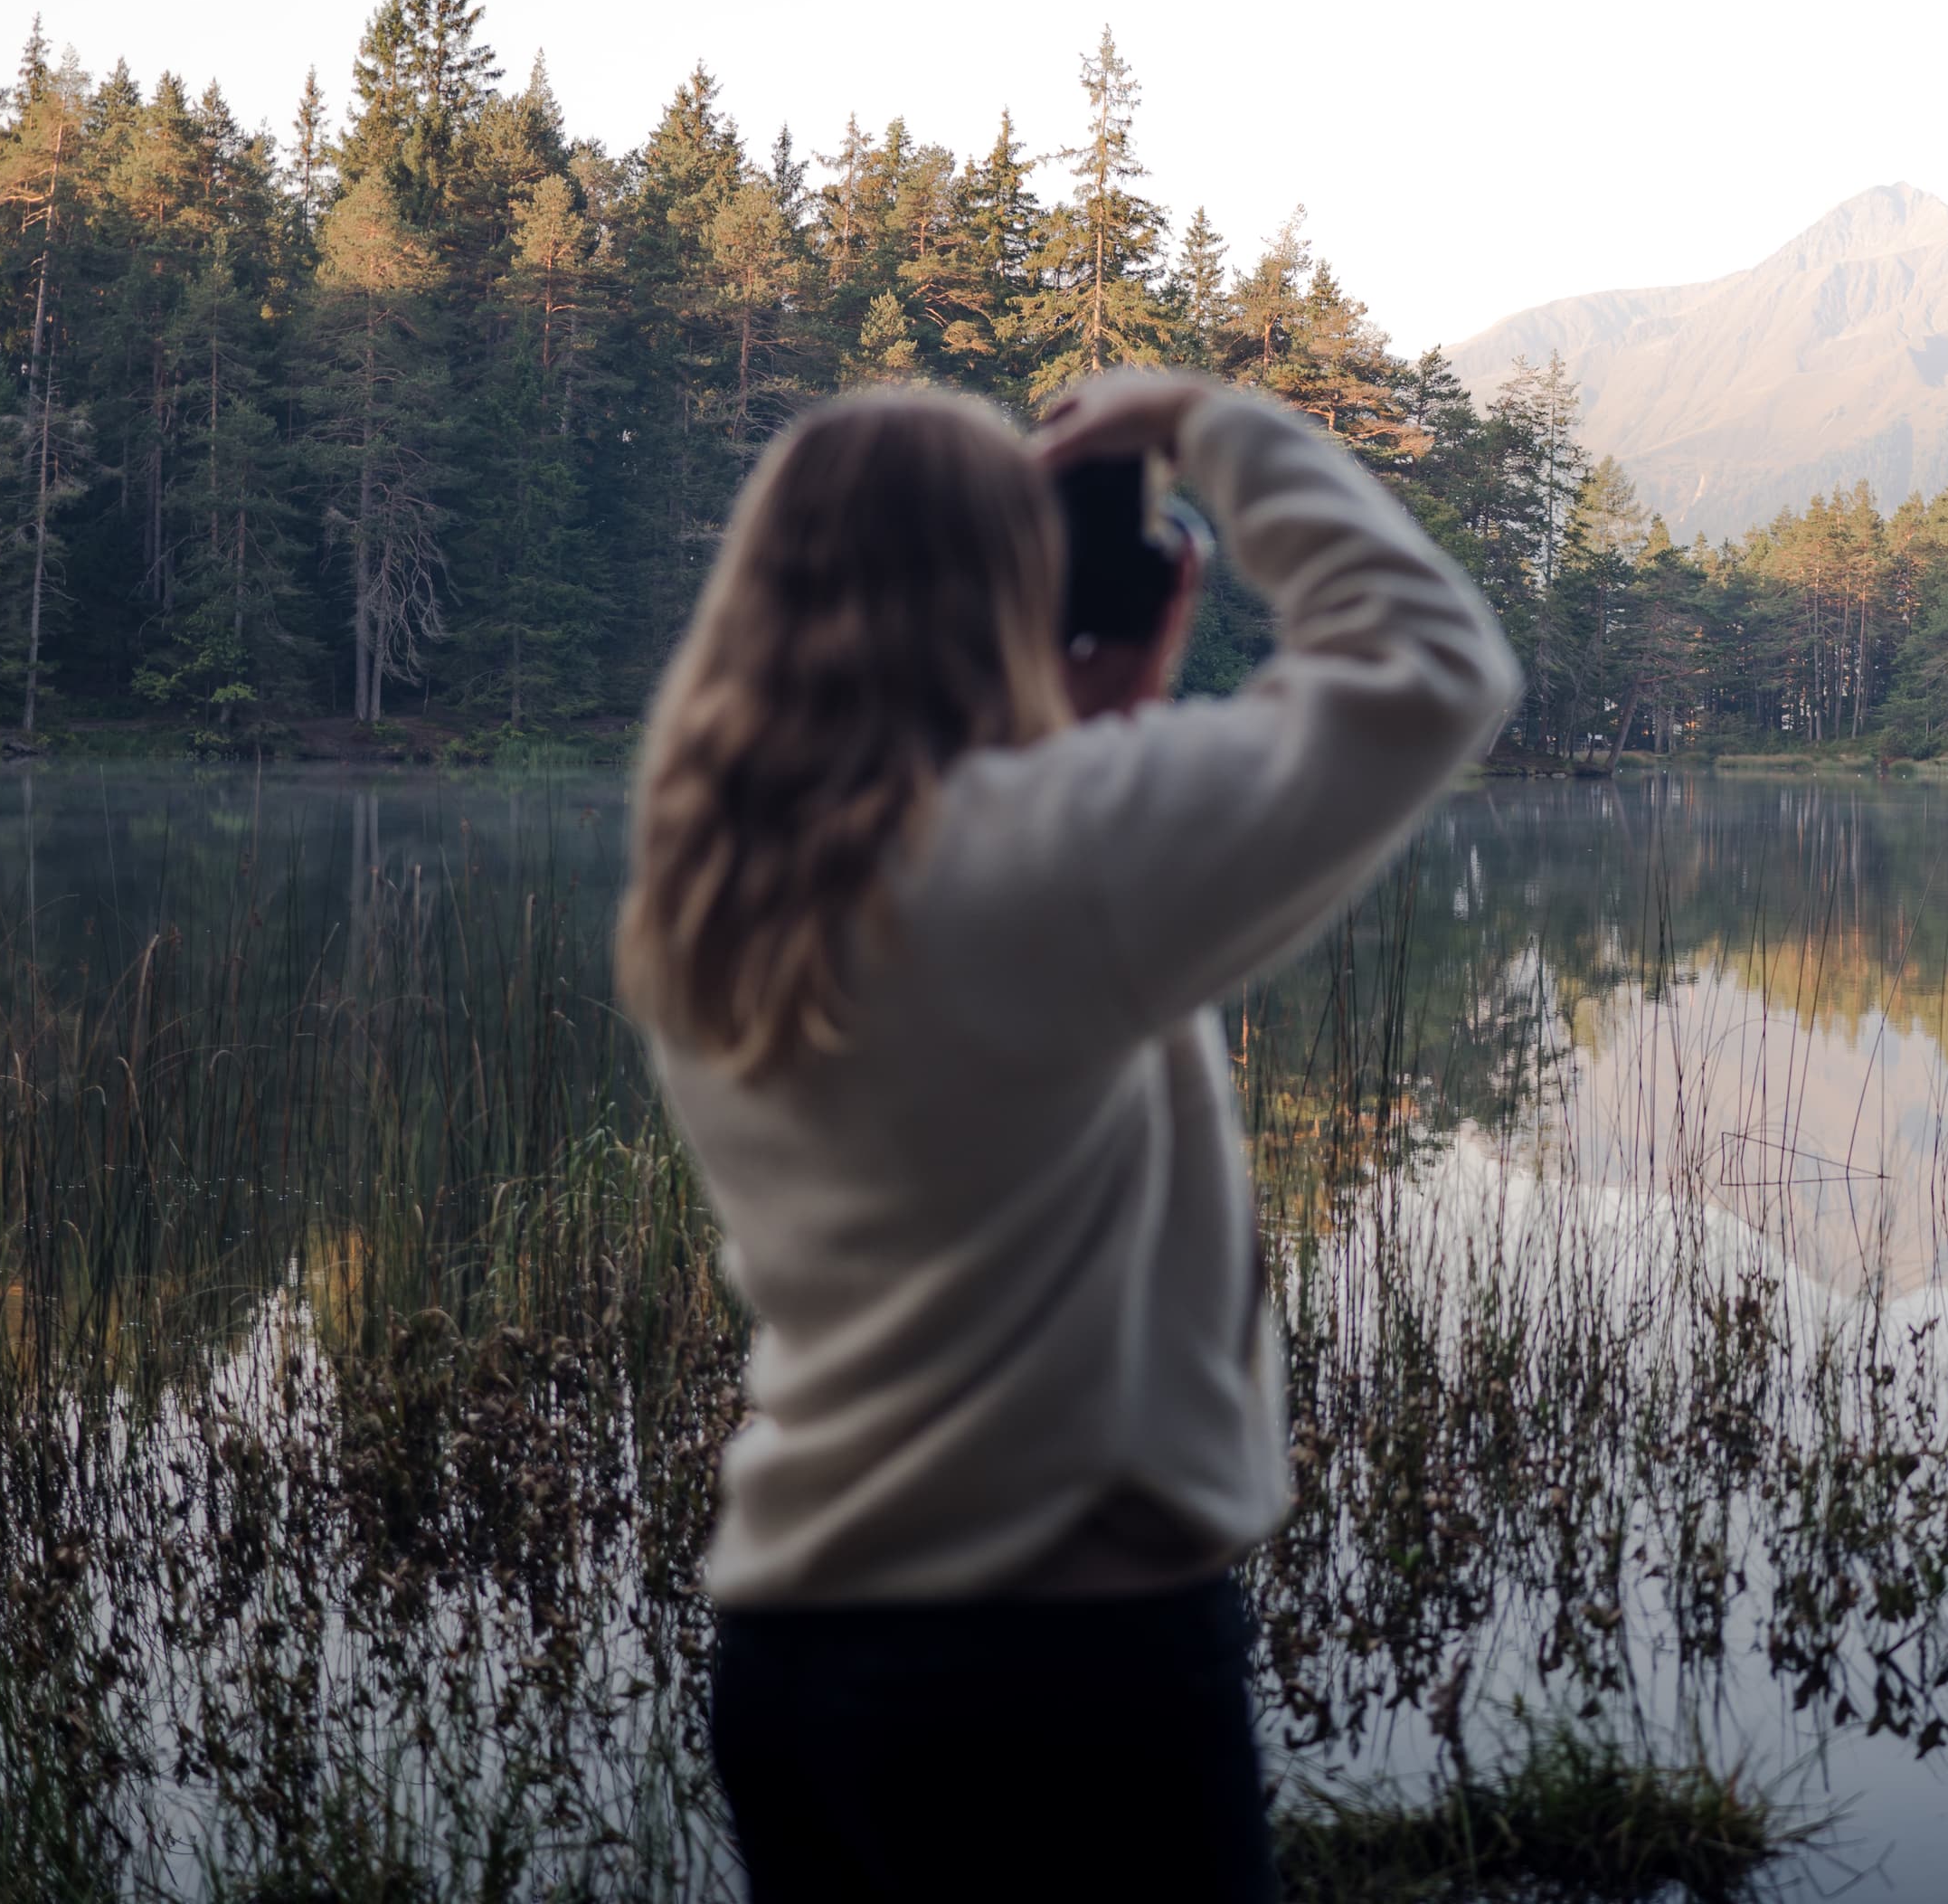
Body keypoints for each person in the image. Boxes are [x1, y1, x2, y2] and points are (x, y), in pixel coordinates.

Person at [615, 370, 1518, 1899]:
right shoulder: (1047, 863)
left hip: (800, 1660)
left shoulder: (715, 884)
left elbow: (1015, 973)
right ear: (1004, 586)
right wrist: (1208, 423)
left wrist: (1092, 731)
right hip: (1057, 1666)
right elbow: (1428, 668)